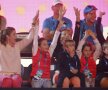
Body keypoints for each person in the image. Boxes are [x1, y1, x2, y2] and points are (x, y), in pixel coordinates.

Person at [0, 11, 38, 88]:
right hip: (3, 75)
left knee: (15, 81)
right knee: (7, 82)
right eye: (14, 34)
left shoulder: (17, 46)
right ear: (7, 37)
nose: (16, 37)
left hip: (15, 75)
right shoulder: (1, 46)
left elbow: (29, 38)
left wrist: (33, 24)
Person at [30, 10, 64, 88]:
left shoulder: (49, 53)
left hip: (47, 79)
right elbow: (35, 38)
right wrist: (36, 25)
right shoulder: (35, 52)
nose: (47, 46)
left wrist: (58, 28)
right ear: (39, 46)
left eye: (47, 44)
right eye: (44, 45)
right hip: (36, 79)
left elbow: (54, 42)